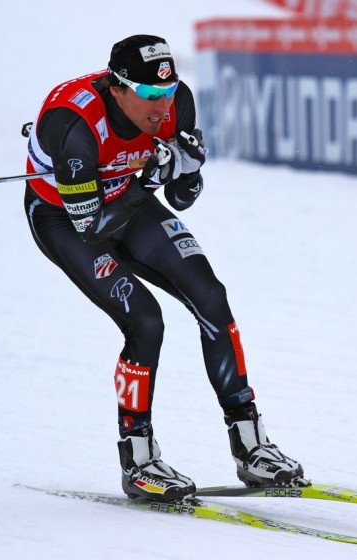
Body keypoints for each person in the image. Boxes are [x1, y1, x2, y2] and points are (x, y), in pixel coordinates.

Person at [23, 34, 305, 501]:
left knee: (210, 295)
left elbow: (180, 199)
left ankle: (251, 447)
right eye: (150, 96)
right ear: (118, 88)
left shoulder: (177, 104)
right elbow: (91, 228)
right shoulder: (73, 126)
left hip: (129, 203)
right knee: (145, 321)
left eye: (168, 92)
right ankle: (138, 461)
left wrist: (188, 170)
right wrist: (151, 178)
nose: (161, 106)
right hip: (65, 220)